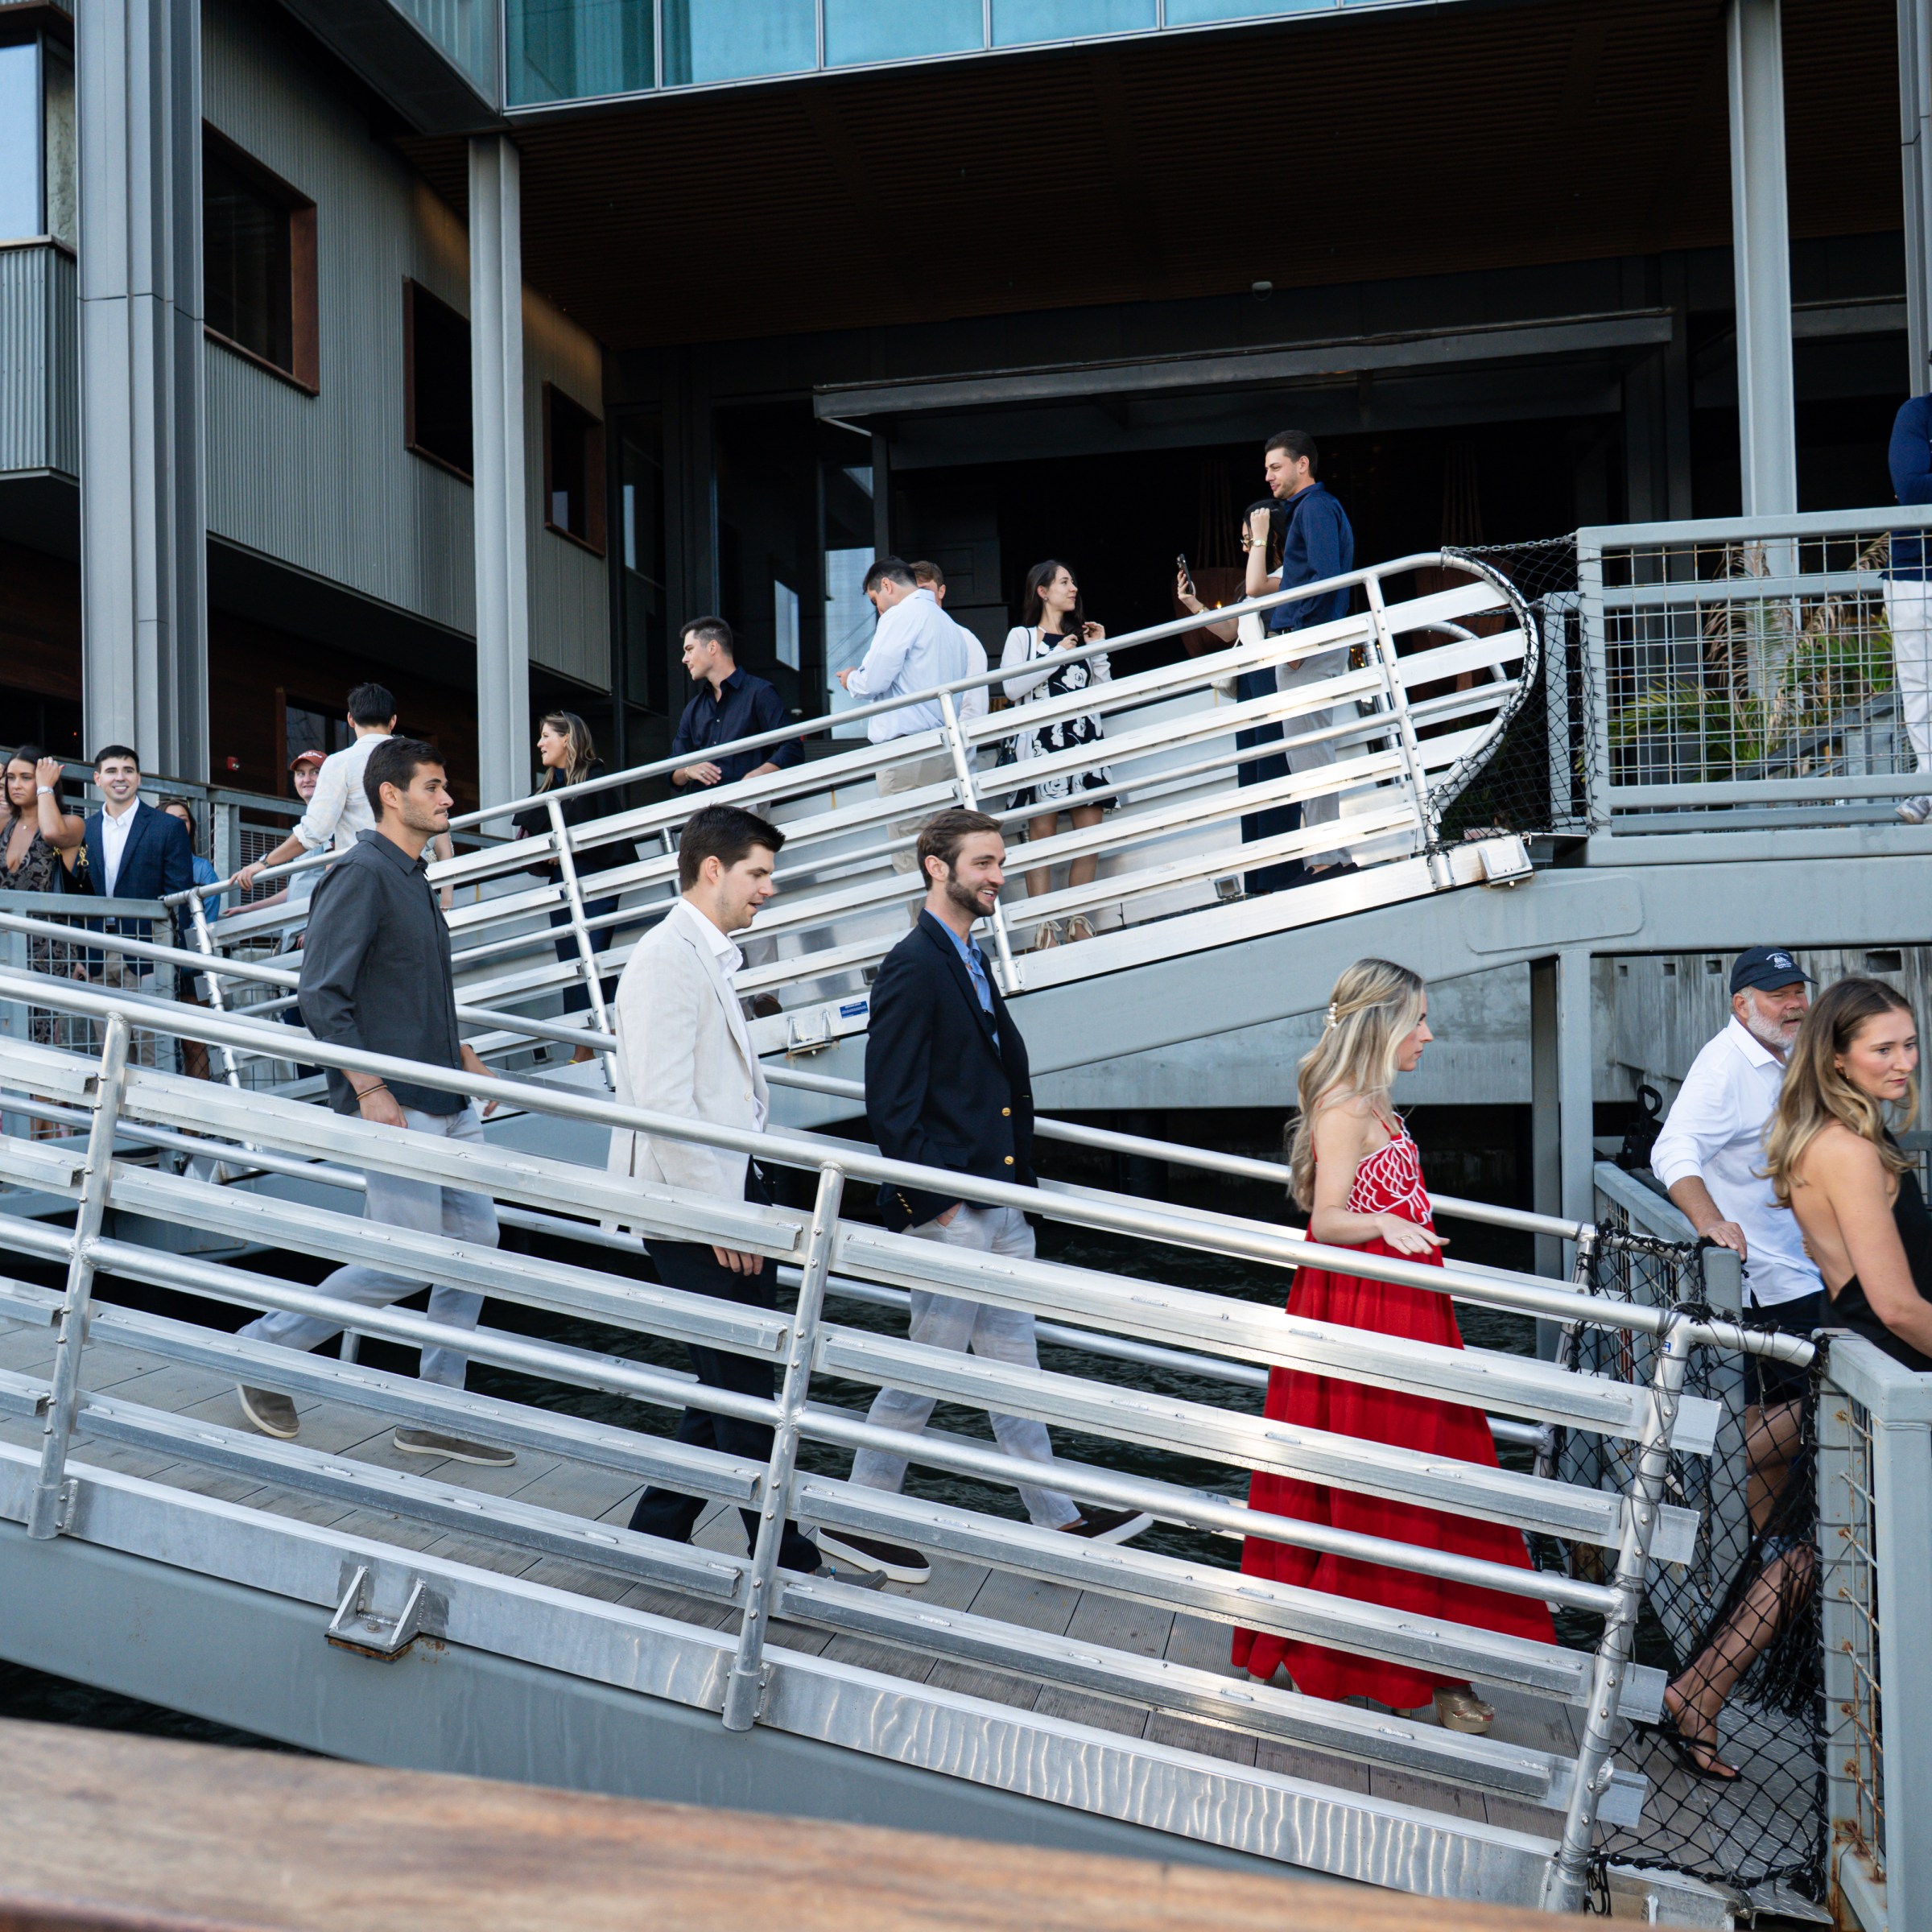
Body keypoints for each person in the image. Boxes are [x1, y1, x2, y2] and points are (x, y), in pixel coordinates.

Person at [814, 808, 1150, 1582]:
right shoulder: (913, 964)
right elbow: (890, 1100)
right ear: (938, 866)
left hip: (997, 1201)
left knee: (1012, 1364)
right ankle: (862, 1514)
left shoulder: (967, 956)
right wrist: (938, 1204)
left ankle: (1057, 1516)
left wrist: (1008, 1196)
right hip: (955, 1208)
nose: (1000, 876)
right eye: (985, 864)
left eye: (1001, 863)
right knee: (928, 1366)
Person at [1233, 959, 1554, 1735]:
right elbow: (1328, 1217)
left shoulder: (1377, 1100)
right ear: (1381, 1024)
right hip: (1366, 1314)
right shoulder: (1344, 1105)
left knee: (1437, 1480)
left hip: (1409, 1311)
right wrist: (1384, 1225)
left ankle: (1440, 1662)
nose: (1429, 1034)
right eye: (1418, 1020)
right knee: (1381, 1485)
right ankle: (1380, 1663)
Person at [1654, 976, 1926, 1782]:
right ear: (1838, 1056)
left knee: (1821, 1547)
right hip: (1891, 1364)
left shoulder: (1831, 1138)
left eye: (1910, 1044)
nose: (1904, 1061)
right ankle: (1701, 1693)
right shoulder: (1844, 1152)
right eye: (1885, 1048)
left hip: (1856, 1360)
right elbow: (1896, 1301)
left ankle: (1699, 1692)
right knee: (1820, 1551)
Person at [232, 737, 512, 1468]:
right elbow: (320, 992)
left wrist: (462, 1049)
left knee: (476, 1250)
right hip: (396, 1102)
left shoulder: (413, 876)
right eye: (436, 786)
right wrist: (369, 1089)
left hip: (445, 1093)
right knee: (404, 1258)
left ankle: (435, 1408)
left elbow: (415, 984)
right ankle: (265, 1351)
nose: (449, 799)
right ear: (393, 795)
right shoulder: (361, 872)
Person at [605, 803, 822, 1573]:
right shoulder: (668, 958)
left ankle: (656, 1532)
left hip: (724, 1198)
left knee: (724, 1380)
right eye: (758, 874)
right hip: (694, 1206)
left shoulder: (703, 954)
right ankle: (784, 1551)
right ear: (712, 871)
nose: (768, 889)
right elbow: (665, 1105)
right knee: (744, 1384)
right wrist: (719, 1218)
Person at [1651, 947, 1824, 1534]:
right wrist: (1709, 1222)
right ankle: (1675, 1491)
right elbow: (1672, 1149)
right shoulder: (1725, 1064)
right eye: (1778, 996)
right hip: (1772, 1281)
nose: (1794, 1004)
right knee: (1811, 1414)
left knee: (1782, 1423)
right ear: (1741, 1004)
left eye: (1798, 991)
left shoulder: (1793, 1051)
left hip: (1807, 1270)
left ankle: (1761, 1551)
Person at [1238, 431, 1357, 893]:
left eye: (1275, 467)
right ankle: (1327, 856)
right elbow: (1270, 586)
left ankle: (1328, 859)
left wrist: (1301, 643)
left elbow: (1326, 580)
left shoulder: (1315, 508)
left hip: (1307, 644)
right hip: (1304, 642)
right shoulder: (1311, 510)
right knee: (1305, 753)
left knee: (1309, 753)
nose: (1268, 476)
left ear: (1301, 464)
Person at [513, 711, 638, 1062]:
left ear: (567, 739)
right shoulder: (550, 786)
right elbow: (531, 835)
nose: (539, 743)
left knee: (592, 958)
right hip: (562, 884)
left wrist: (565, 847)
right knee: (574, 963)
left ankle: (595, 1042)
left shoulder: (595, 776)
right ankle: (591, 1040)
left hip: (595, 880)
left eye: (546, 736)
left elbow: (604, 834)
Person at [836, 558, 972, 880]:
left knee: (913, 858)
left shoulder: (901, 614)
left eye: (875, 601)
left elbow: (873, 681)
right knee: (943, 857)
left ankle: (926, 930)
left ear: (886, 586)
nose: (879, 610)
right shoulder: (950, 626)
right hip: (943, 749)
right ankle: (951, 931)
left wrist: (851, 679)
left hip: (906, 754)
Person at [1000, 560, 1112, 949]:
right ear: (1042, 591)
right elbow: (1011, 688)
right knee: (1041, 837)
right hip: (1040, 748)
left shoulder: (1079, 637)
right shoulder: (1023, 637)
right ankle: (1045, 927)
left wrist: (1098, 650)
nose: (1073, 588)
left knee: (1089, 834)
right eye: (1064, 582)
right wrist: (1055, 655)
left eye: (1074, 581)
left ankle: (1078, 918)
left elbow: (1104, 693)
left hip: (1083, 744)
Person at [236, 683, 402, 894]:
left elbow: (314, 831)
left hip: (363, 880)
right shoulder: (416, 760)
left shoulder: (341, 762)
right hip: (413, 876)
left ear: (350, 719)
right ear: (393, 721)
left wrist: (264, 863)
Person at [82, 745, 196, 968]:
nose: (120, 777)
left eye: (128, 770)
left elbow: (179, 896)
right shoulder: (84, 830)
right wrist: (78, 955)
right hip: (92, 955)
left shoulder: (168, 827)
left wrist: (169, 956)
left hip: (148, 954)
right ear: (97, 778)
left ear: (139, 778)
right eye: (112, 771)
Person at [3, 748, 87, 1046]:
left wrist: (44, 787)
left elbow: (51, 834)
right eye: (10, 777)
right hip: (5, 947)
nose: (16, 784)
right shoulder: (6, 826)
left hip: (45, 951)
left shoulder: (72, 824)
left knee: (37, 1040)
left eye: (26, 777)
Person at [668, 618, 805, 791]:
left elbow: (792, 748)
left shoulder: (760, 692)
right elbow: (673, 771)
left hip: (747, 806)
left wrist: (757, 775)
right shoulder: (693, 709)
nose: (684, 659)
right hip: (703, 811)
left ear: (712, 647)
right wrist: (688, 771)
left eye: (689, 649)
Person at [1885, 394, 1932, 823]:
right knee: (1918, 689)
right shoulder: (1919, 413)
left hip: (1915, 571)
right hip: (1913, 574)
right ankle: (1928, 785)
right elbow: (1913, 486)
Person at [159, 798, 223, 1082]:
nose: (177, 824)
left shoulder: (203, 869)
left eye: (183, 819)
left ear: (191, 827)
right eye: (170, 818)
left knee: (195, 1047)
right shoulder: (151, 865)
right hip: (156, 967)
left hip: (193, 968)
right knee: (156, 1045)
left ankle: (193, 1127)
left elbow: (205, 925)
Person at [910, 561, 990, 726]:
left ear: (941, 591)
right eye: (913, 592)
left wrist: (955, 748)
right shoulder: (905, 639)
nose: (919, 597)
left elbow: (975, 707)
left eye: (924, 590)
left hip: (952, 745)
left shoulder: (966, 639)